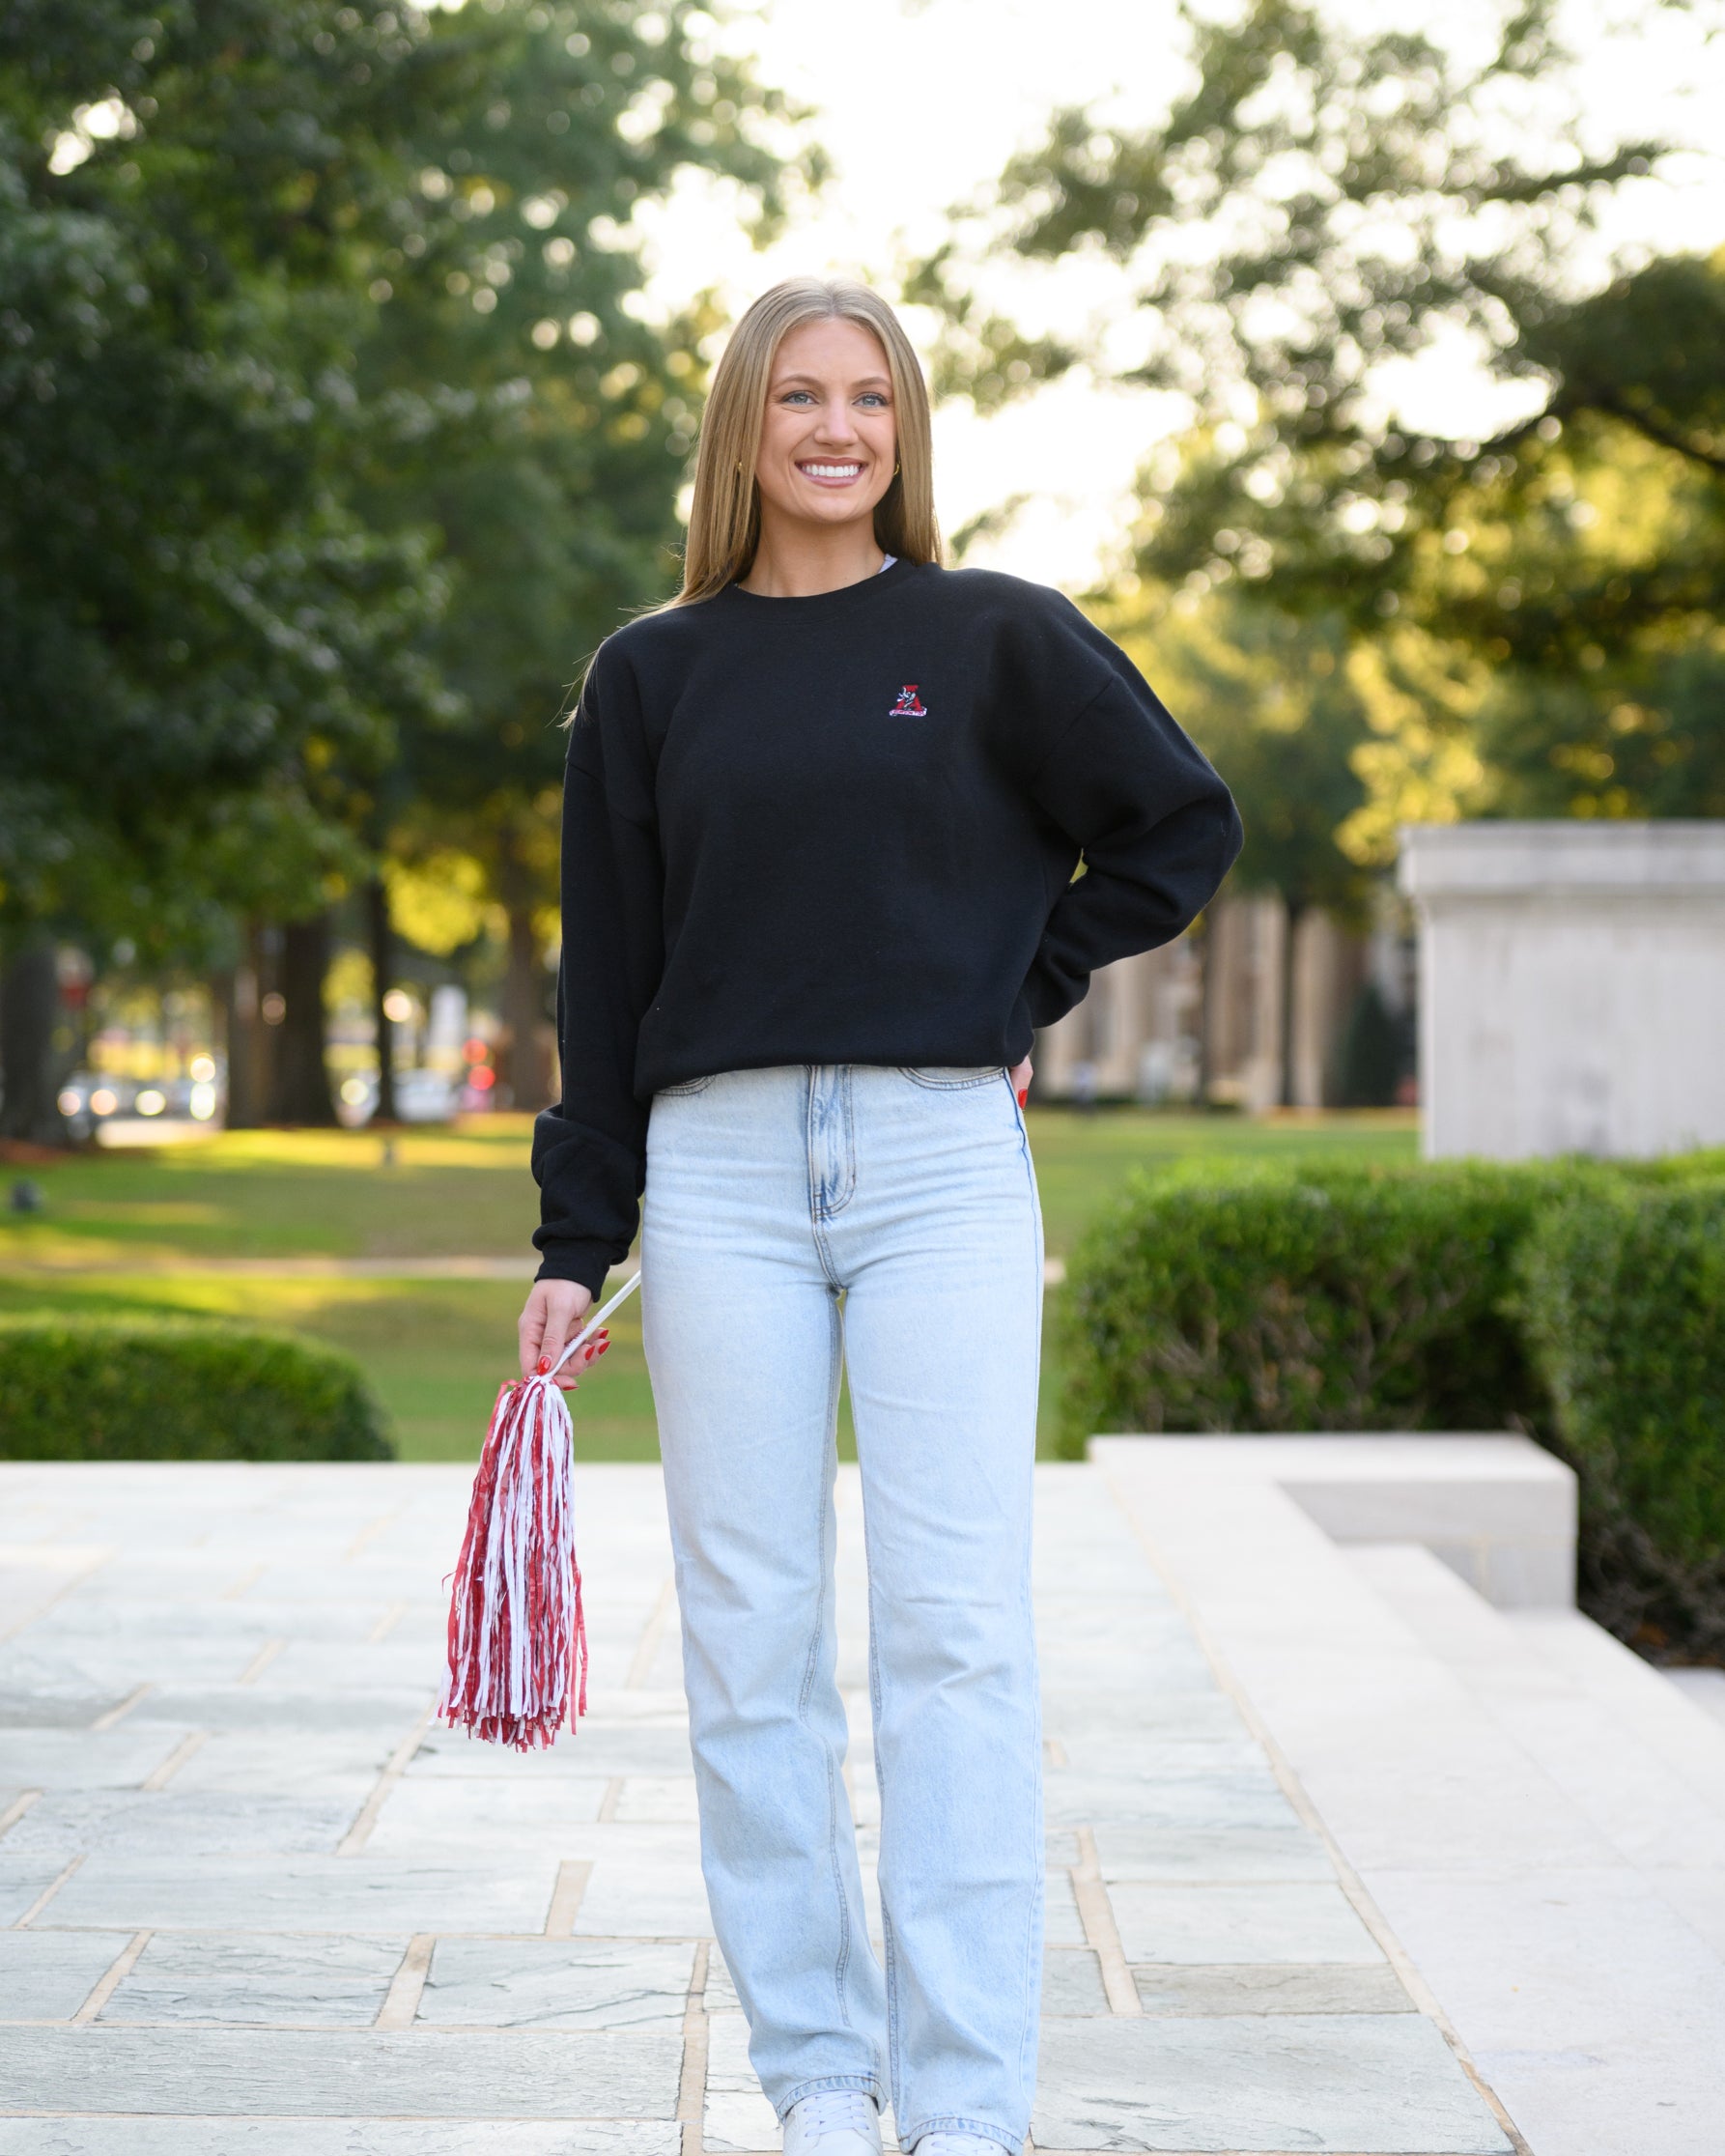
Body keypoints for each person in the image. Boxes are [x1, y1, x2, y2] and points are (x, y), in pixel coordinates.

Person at [518, 275, 1241, 2156]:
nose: (834, 428)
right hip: (722, 1181)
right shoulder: (649, 675)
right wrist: (569, 1242)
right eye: (795, 396)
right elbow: (605, 983)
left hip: (935, 1171)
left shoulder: (994, 637)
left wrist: (1015, 988)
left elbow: (1175, 829)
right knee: (750, 1645)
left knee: (953, 1642)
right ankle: (820, 2089)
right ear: (739, 432)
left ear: (903, 430)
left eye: (869, 398)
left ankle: (968, 2110)